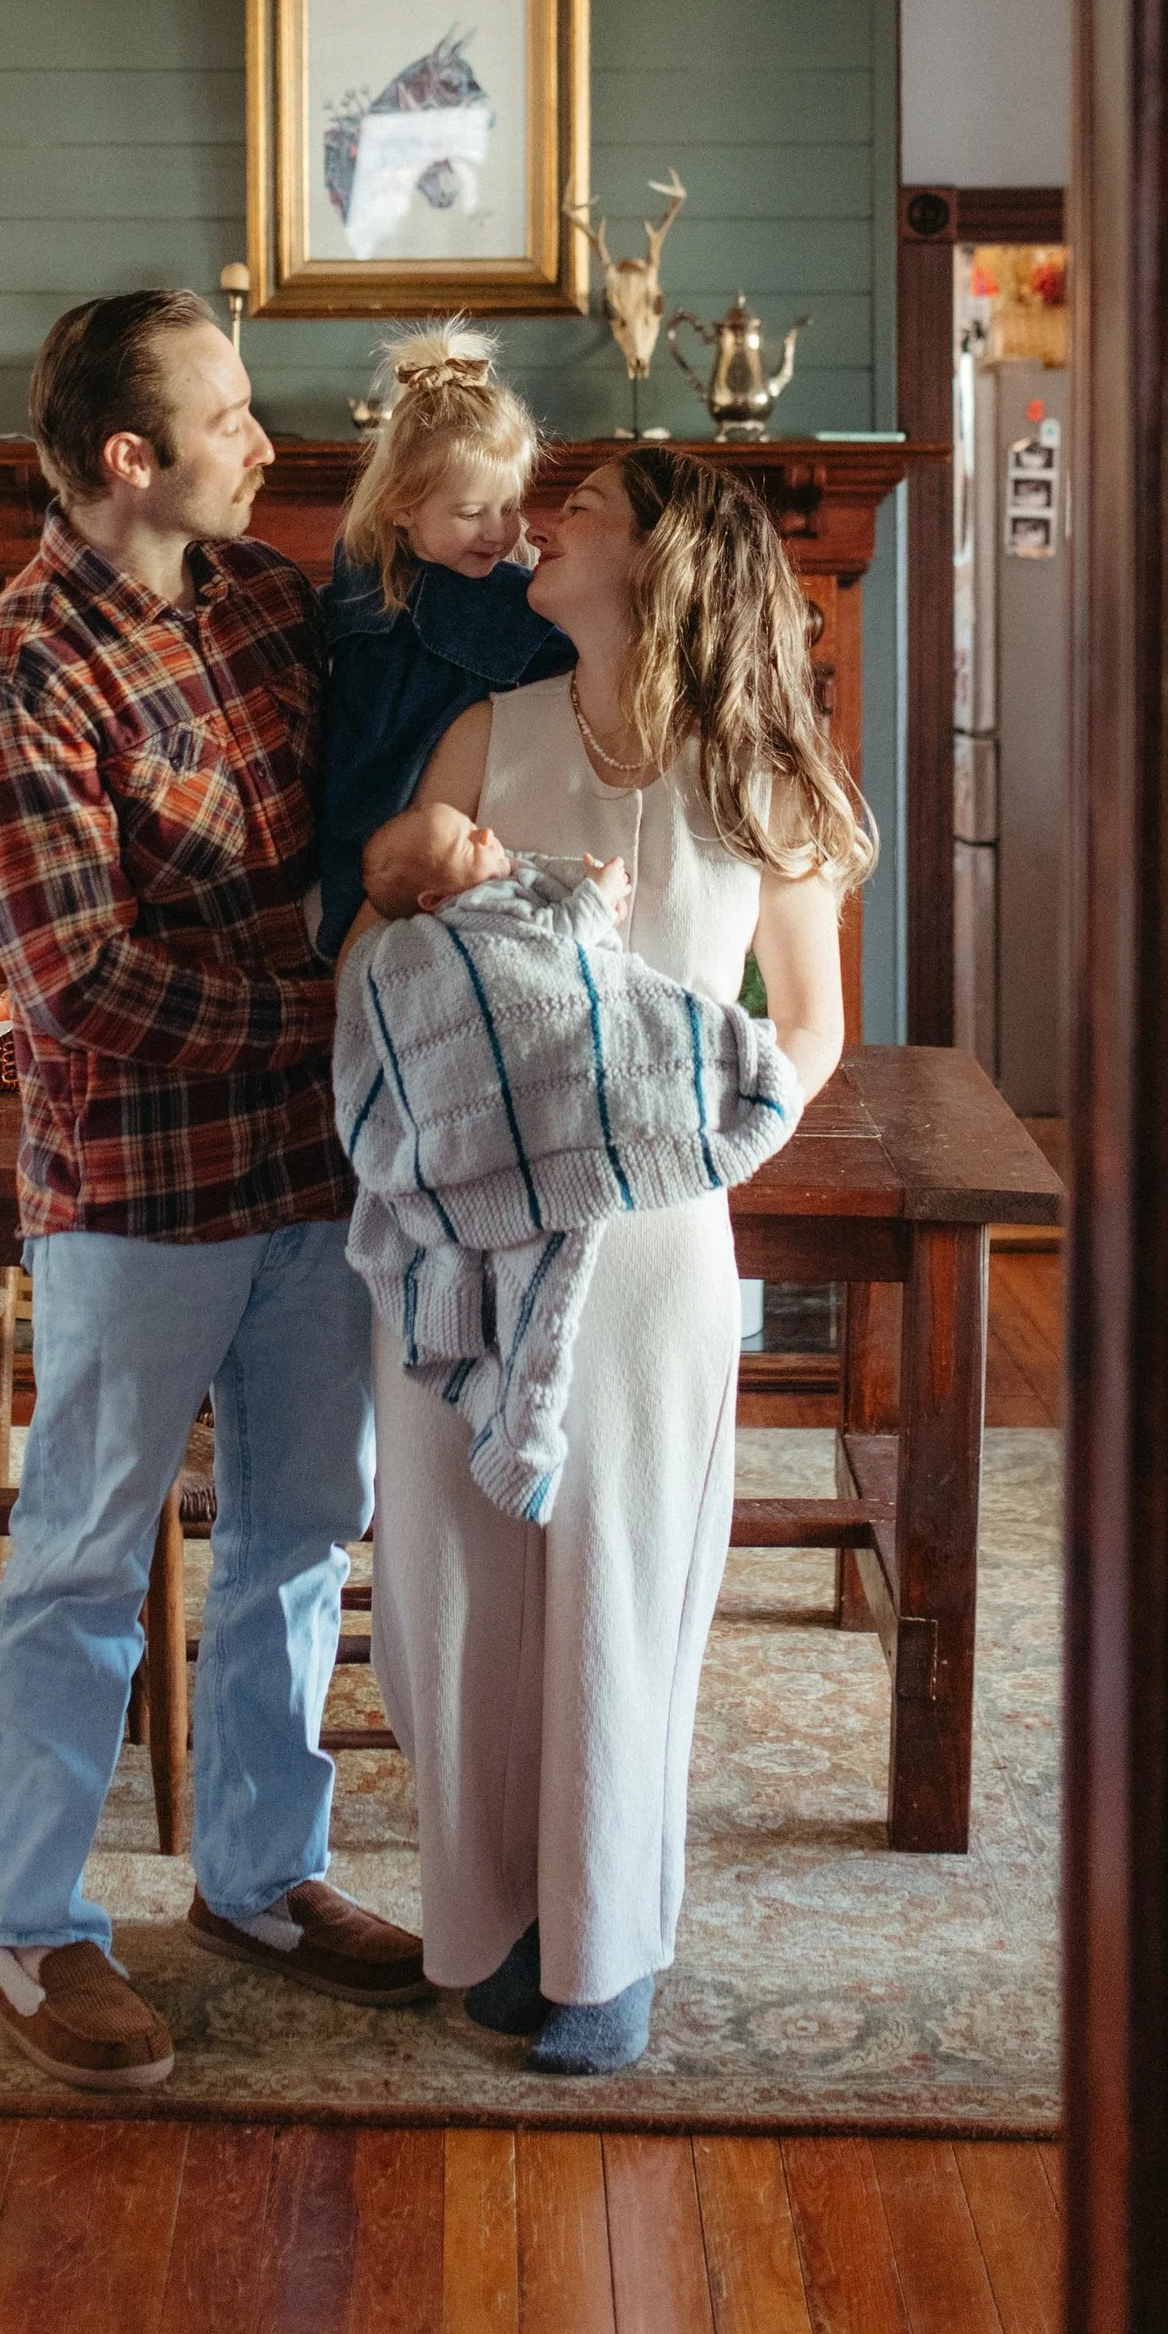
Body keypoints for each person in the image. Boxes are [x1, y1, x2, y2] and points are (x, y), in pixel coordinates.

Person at [0, 286, 430, 2093]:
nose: (267, 443)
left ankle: (260, 1878)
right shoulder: (18, 678)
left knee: (303, 1536)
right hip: (137, 1200)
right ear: (132, 459)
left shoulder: (277, 604)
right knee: (79, 1561)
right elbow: (87, 987)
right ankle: (35, 1923)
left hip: (315, 1180)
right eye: (231, 418)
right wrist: (337, 999)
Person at [352, 448, 872, 2074]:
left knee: (619, 1586)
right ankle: (498, 1924)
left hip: (647, 1238)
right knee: (452, 1586)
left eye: (584, 500)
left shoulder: (760, 776)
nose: (546, 515)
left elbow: (804, 1026)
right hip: (465, 1226)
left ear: (665, 552)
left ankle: (605, 1951)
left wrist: (674, 1145)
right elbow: (387, 959)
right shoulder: (483, 734)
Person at [315, 324, 570, 960]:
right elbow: (576, 660)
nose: (498, 530)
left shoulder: (362, 568)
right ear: (401, 506)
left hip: (407, 831)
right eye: (470, 513)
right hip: (393, 828)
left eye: (509, 506)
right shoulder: (495, 603)